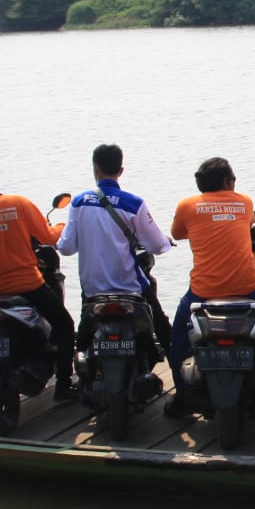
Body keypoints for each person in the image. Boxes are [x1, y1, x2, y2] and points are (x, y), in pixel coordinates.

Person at [166, 157, 255, 413]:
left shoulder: (186, 206)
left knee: (178, 338)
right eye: (233, 179)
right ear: (227, 181)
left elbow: (179, 233)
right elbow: (241, 226)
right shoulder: (244, 202)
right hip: (248, 285)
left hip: (203, 291)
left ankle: (182, 396)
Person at [0, 164, 77, 403]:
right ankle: (63, 385)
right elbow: (48, 237)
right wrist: (61, 227)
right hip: (28, 286)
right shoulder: (19, 203)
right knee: (64, 324)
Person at [56, 144, 173, 356]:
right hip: (130, 288)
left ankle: (69, 382)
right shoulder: (133, 203)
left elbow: (66, 248)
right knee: (161, 324)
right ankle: (179, 378)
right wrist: (166, 242)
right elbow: (156, 245)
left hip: (93, 290)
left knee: (83, 336)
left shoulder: (79, 202)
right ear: (121, 171)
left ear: (95, 168)